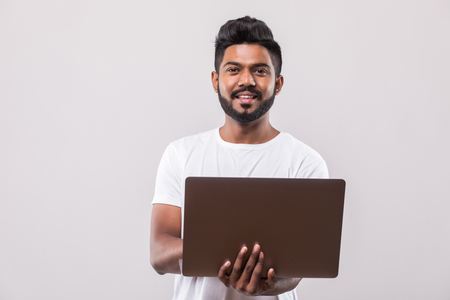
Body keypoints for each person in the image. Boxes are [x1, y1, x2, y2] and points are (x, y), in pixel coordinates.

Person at [150, 16, 328, 299]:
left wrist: (268, 283)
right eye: (234, 69)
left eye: (259, 70)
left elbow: (299, 270)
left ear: (278, 83)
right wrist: (224, 250)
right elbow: (159, 252)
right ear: (215, 80)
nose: (246, 81)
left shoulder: (305, 162)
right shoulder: (181, 154)